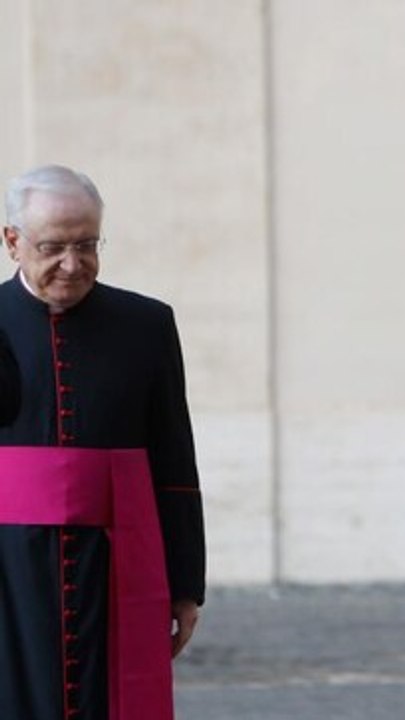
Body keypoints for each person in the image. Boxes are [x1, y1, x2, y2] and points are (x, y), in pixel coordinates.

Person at [0, 165, 206, 720]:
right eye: (54, 247)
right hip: (10, 572)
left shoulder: (147, 324)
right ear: (12, 241)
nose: (73, 263)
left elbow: (174, 462)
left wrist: (186, 585)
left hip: (113, 567)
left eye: (88, 244)